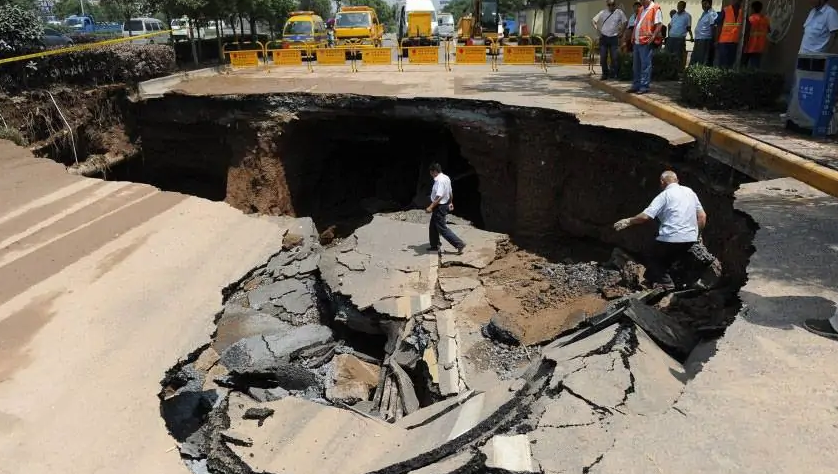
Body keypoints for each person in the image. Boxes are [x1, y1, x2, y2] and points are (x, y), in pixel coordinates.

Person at [613, 170, 707, 290]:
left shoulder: (664, 195)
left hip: (671, 238)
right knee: (665, 259)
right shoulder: (690, 192)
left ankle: (667, 284)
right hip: (690, 239)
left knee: (650, 255)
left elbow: (645, 216)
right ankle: (652, 280)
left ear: (662, 182)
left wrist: (628, 221)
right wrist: (697, 235)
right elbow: (702, 216)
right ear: (677, 180)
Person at [426, 163, 466, 255]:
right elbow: (450, 192)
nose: (430, 174)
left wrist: (431, 207)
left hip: (439, 206)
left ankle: (459, 244)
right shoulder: (446, 178)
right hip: (444, 205)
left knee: (442, 228)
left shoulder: (439, 181)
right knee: (433, 227)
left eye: (431, 172)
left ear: (435, 171)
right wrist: (451, 202)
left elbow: (439, 196)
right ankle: (434, 246)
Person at [629, 0, 663, 94]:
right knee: (636, 66)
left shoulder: (655, 8)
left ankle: (644, 87)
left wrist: (653, 37)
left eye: (643, 0)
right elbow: (636, 24)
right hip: (637, 41)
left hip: (646, 42)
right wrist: (632, 37)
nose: (641, 2)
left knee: (645, 65)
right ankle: (636, 85)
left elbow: (659, 24)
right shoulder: (641, 9)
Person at [593, 0, 628, 79]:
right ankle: (605, 74)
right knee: (603, 57)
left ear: (615, 4)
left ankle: (614, 73)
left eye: (613, 4)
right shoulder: (603, 12)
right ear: (607, 4)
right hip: (604, 37)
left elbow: (625, 22)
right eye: (609, 5)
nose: (611, 6)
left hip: (614, 37)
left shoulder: (619, 12)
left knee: (614, 57)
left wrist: (621, 32)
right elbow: (593, 21)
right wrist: (598, 30)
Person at [690, 0, 719, 66]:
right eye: (702, 4)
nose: (703, 6)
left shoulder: (712, 13)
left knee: (702, 59)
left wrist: (714, 40)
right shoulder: (704, 13)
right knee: (696, 57)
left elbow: (714, 28)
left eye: (705, 4)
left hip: (705, 39)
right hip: (699, 38)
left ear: (709, 4)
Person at [743, 1, 770, 68]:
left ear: (753, 9)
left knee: (743, 65)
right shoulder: (765, 19)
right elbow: (769, 30)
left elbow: (745, 31)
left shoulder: (751, 19)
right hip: (759, 47)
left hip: (749, 46)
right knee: (755, 67)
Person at [717, 0, 744, 68]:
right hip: (724, 41)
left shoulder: (742, 12)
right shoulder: (726, 10)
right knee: (723, 62)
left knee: (730, 63)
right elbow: (719, 25)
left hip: (735, 41)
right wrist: (716, 39)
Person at [666, 1, 693, 68]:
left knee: (678, 56)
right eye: (678, 5)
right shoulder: (674, 15)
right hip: (671, 38)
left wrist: (691, 36)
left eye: (681, 5)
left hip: (679, 39)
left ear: (684, 7)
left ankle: (677, 72)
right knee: (668, 55)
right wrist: (669, 35)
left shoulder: (687, 16)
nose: (679, 7)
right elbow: (670, 25)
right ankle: (668, 71)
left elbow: (688, 28)